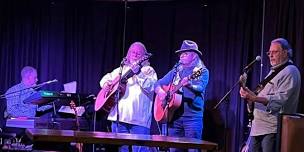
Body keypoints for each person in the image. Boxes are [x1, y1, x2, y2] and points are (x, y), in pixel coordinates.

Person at [239, 38, 301, 152]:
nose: (270, 55)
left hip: (271, 129)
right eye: (269, 53)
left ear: (285, 52)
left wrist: (254, 97)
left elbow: (280, 100)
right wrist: (248, 94)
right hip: (258, 127)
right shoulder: (274, 71)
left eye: (274, 52)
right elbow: (261, 97)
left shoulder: (290, 71)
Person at [99, 42, 157, 152]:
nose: (135, 54)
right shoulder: (120, 70)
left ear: (144, 57)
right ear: (128, 54)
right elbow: (104, 79)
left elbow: (151, 86)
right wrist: (107, 84)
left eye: (138, 53)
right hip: (119, 118)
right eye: (133, 52)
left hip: (139, 120)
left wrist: (138, 73)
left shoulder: (148, 70)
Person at [154, 40, 209, 152]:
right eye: (181, 53)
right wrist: (161, 92)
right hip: (174, 118)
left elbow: (200, 88)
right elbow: (158, 83)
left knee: (193, 150)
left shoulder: (202, 71)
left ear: (194, 56)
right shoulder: (176, 70)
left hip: (192, 119)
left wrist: (189, 85)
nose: (181, 55)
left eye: (185, 53)